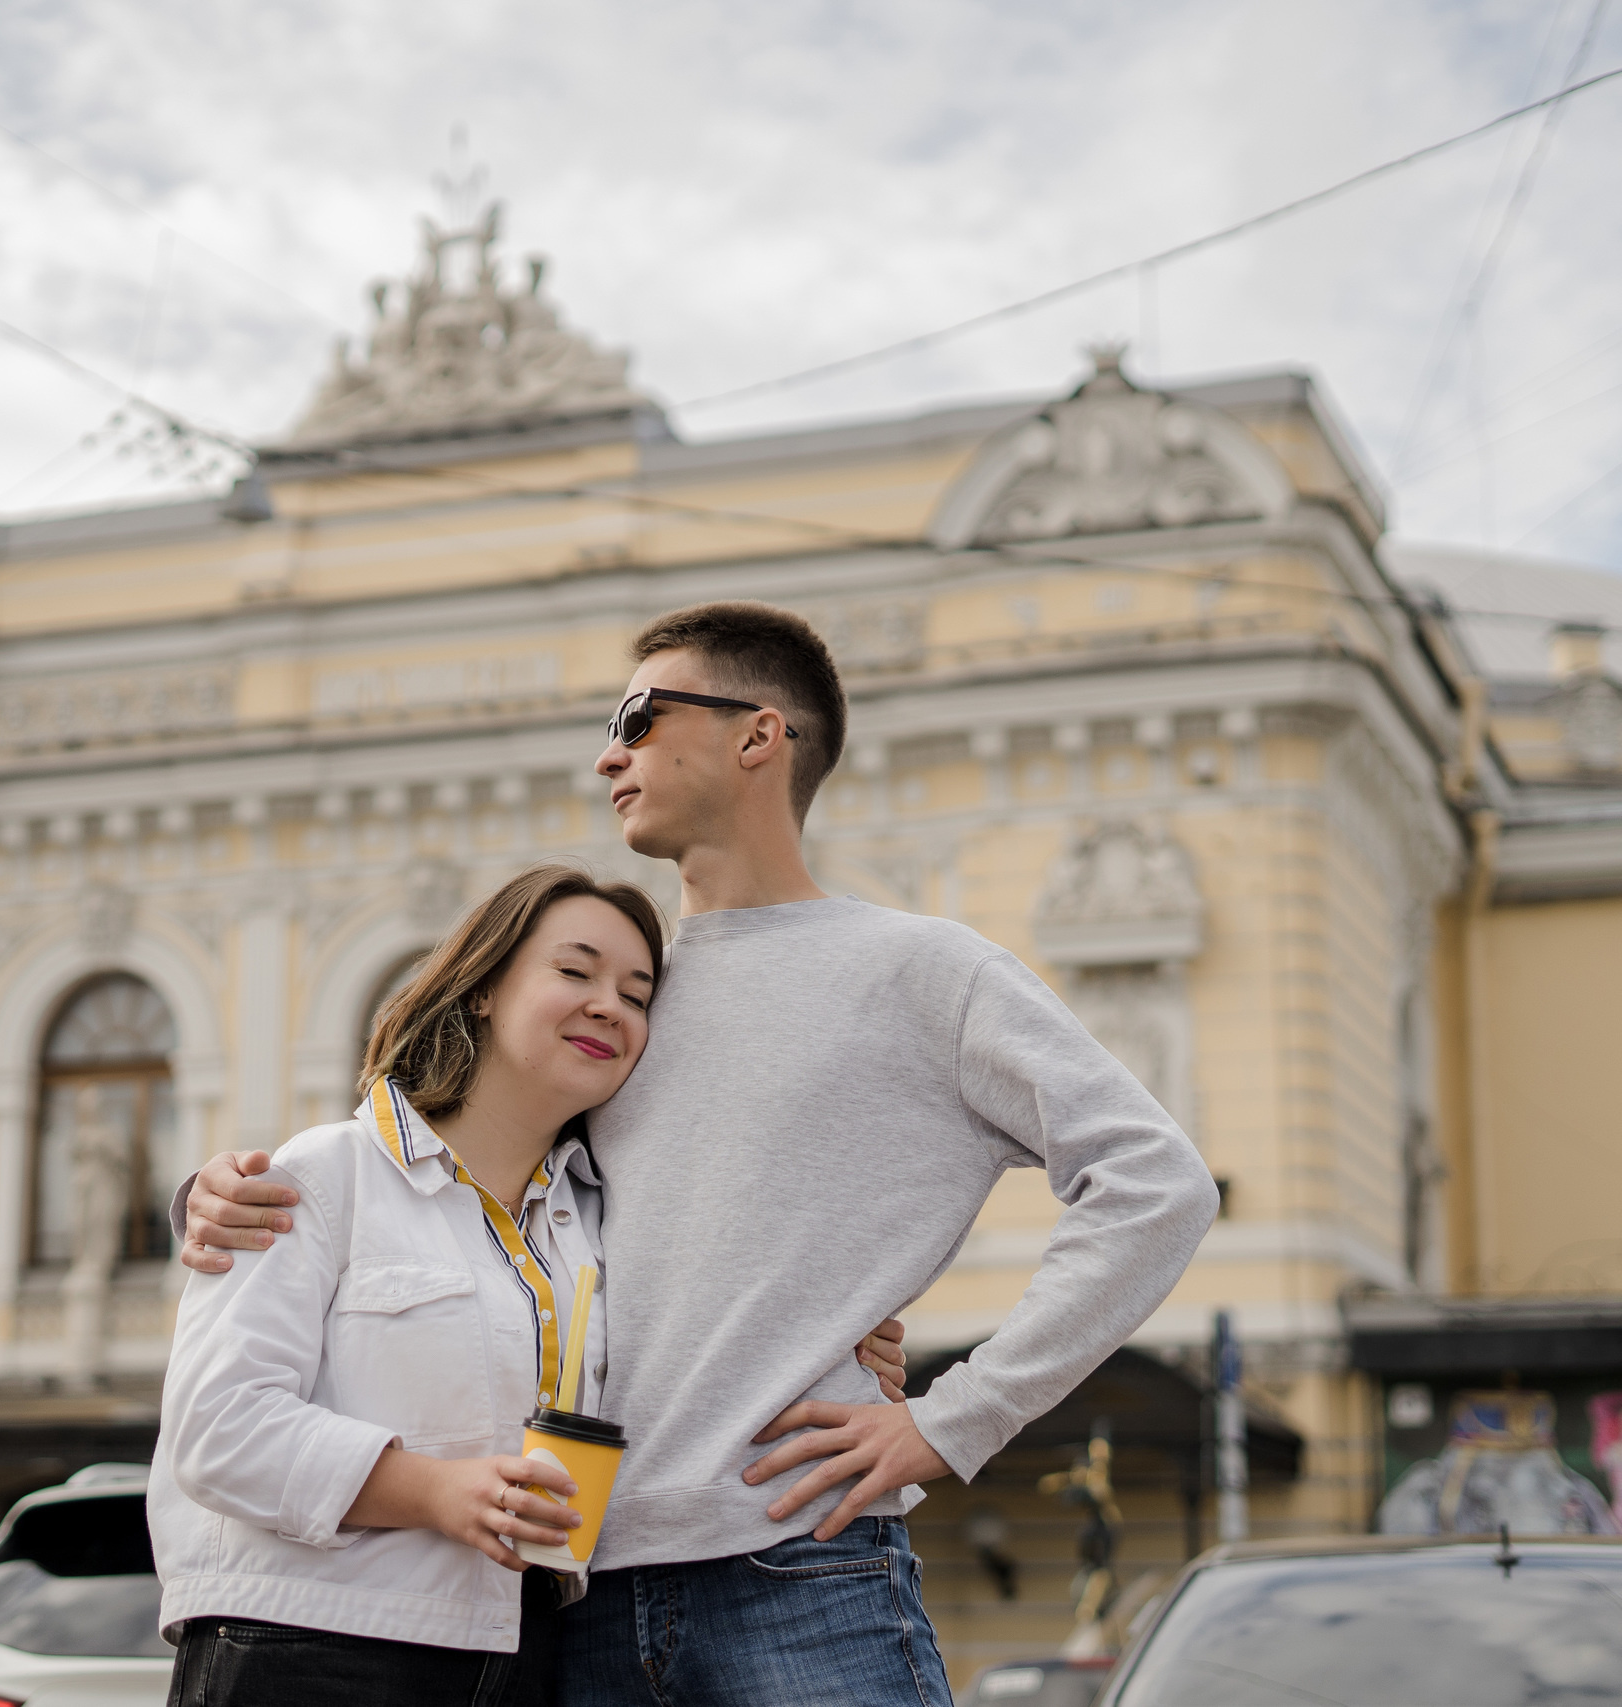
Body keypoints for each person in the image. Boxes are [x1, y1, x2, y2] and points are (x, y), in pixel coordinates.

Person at [181, 602, 1221, 1706]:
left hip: (796, 1568)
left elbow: (1156, 1186)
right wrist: (212, 1195)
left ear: (757, 735)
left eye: (639, 715)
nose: (608, 754)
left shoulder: (923, 972)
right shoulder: (619, 1008)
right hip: (566, 1599)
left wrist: (953, 1418)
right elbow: (459, 1197)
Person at [151, 861, 909, 1707]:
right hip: (309, 1648)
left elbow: (715, 1319)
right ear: (483, 986)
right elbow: (217, 1427)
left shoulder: (595, 1227)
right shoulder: (325, 1173)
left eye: (636, 994)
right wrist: (439, 1490)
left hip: (525, 1658)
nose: (608, 1007)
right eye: (575, 971)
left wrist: (844, 1326)